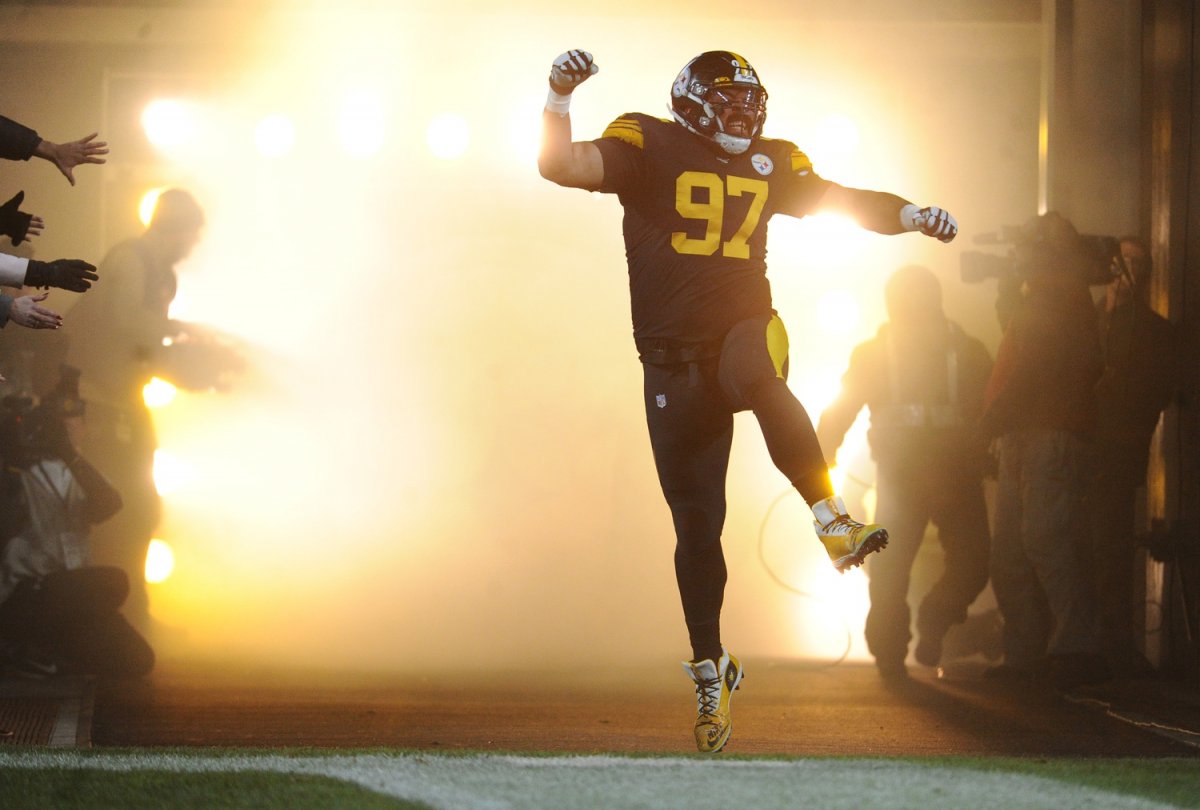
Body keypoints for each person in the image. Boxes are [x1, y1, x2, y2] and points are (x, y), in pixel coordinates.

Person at [538, 49, 959, 752]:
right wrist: (557, 98)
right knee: (698, 527)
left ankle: (831, 520)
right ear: (692, 102)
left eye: (749, 102)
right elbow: (561, 165)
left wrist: (909, 213)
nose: (743, 115)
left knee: (757, 370)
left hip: (746, 328)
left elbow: (842, 200)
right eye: (729, 101)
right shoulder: (650, 142)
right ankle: (712, 667)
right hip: (672, 362)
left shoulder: (772, 160)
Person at [817, 266, 993, 680]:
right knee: (913, 567)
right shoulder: (962, 349)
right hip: (921, 476)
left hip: (933, 475)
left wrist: (819, 457)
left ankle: (907, 638)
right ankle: (899, 644)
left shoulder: (961, 351)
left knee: (907, 568)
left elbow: (840, 410)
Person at [60, 188, 206, 634]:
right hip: (97, 404)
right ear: (177, 229)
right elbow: (122, 322)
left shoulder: (158, 272)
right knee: (122, 511)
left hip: (122, 401)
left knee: (140, 510)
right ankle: (110, 616)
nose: (193, 247)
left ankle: (127, 612)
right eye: (193, 235)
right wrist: (177, 328)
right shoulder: (130, 261)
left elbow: (138, 348)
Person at [979, 211, 1107, 690]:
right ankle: (1028, 654)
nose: (1018, 259)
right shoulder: (1049, 296)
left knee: (1045, 542)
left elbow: (1030, 372)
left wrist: (987, 425)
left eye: (1026, 250)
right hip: (1028, 437)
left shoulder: (1060, 297)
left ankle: (1078, 648)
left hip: (1048, 436)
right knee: (1012, 551)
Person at [0, 367, 154, 679]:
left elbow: (109, 505)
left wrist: (67, 452)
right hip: (25, 595)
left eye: (74, 419)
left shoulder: (79, 471)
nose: (69, 426)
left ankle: (48, 652)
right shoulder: (21, 469)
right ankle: (17, 644)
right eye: (61, 420)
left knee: (138, 660)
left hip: (73, 597)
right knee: (114, 582)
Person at [1087, 236, 1176, 675]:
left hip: (1117, 453)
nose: (1127, 270)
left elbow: (1158, 390)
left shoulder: (1155, 332)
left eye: (1138, 263)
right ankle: (1073, 645)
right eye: (1122, 260)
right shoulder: (1080, 321)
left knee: (1111, 549)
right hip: (1078, 450)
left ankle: (1112, 646)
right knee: (1067, 544)